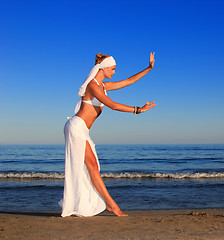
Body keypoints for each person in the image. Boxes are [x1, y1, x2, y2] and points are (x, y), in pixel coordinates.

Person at [59, 53, 156, 217]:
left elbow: (128, 81)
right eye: (113, 69)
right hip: (76, 127)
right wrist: (138, 110)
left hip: (81, 129)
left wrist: (148, 68)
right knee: (93, 168)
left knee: (90, 168)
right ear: (103, 68)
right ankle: (112, 205)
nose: (114, 72)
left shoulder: (102, 86)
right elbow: (112, 105)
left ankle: (78, 204)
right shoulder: (92, 86)